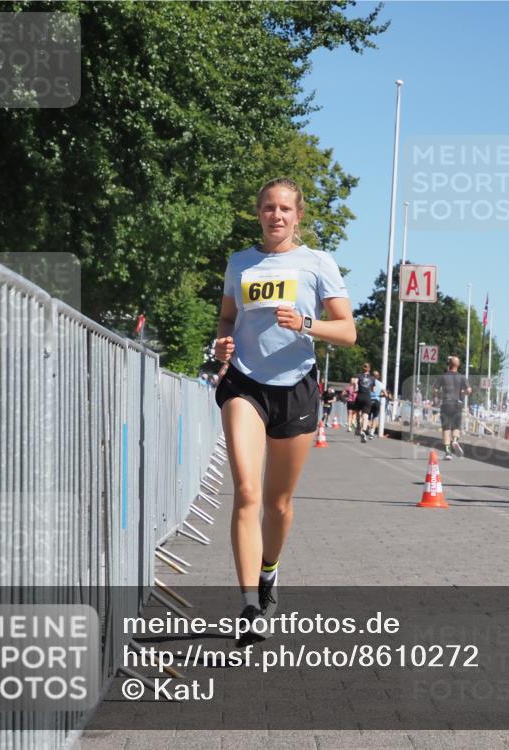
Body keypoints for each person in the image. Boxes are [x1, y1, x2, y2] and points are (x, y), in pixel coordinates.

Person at [213, 178, 356, 644]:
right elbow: (228, 318)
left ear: (298, 215)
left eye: (285, 209)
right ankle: (250, 605)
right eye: (268, 208)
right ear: (258, 212)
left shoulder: (317, 263)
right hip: (245, 384)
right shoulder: (240, 262)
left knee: (278, 503)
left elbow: (348, 331)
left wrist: (307, 323)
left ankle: (269, 569)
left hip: (295, 387)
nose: (276, 215)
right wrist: (221, 343)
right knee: (247, 491)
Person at [436, 356, 471, 460]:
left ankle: (447, 452)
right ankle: (455, 440)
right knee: (456, 426)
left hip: (446, 404)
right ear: (458, 365)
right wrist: (463, 392)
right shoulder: (462, 377)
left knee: (446, 429)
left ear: (449, 364)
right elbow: (469, 390)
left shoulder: (443, 376)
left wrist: (438, 395)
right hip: (457, 404)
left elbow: (435, 390)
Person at [353, 363, 376, 442]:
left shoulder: (358, 376)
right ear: (369, 369)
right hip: (367, 397)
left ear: (363, 368)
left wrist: (356, 388)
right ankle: (364, 430)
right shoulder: (372, 378)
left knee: (358, 412)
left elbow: (354, 383)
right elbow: (374, 390)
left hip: (359, 396)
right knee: (366, 415)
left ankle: (359, 425)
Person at [369, 369, 388, 436]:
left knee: (367, 416)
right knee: (375, 417)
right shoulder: (381, 384)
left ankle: (367, 429)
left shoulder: (369, 382)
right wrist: (379, 395)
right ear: (378, 376)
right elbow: (386, 395)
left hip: (369, 401)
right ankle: (372, 431)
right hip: (377, 401)